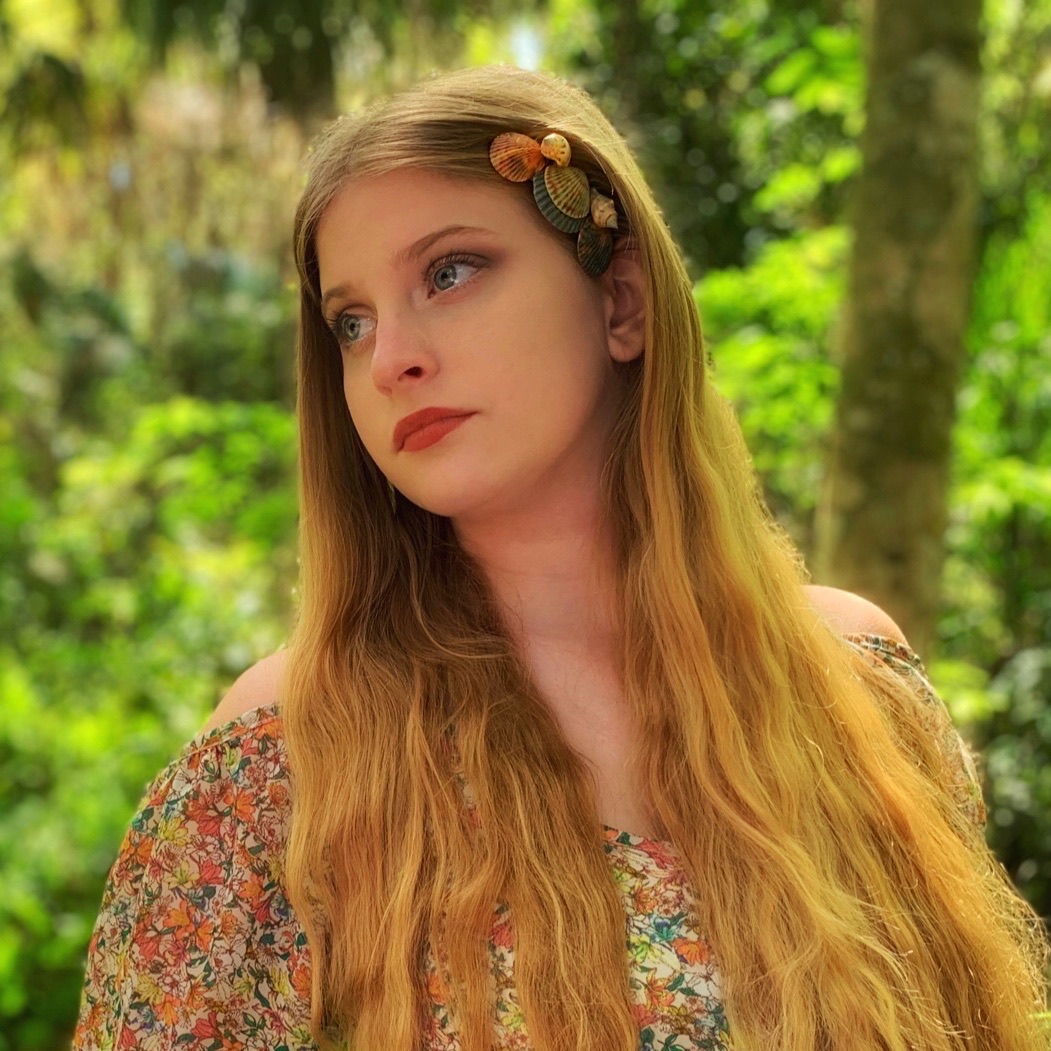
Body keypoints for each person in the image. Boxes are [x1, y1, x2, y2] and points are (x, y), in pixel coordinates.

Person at [73, 65, 1048, 1051]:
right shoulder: (287, 754)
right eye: (350, 319)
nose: (389, 358)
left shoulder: (857, 683)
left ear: (621, 301)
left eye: (449, 272)